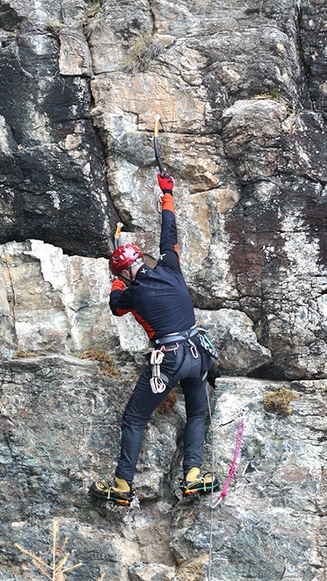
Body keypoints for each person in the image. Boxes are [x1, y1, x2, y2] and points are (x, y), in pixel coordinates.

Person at [89, 172, 219, 506]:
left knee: (134, 417)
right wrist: (167, 193)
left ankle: (121, 484)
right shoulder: (171, 266)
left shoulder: (131, 294)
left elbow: (116, 307)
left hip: (171, 357)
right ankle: (192, 476)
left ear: (124, 273)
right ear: (142, 260)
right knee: (197, 414)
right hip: (197, 353)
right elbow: (169, 230)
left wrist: (118, 280)